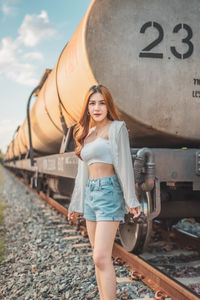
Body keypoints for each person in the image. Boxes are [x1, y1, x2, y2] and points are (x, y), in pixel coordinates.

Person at [68, 84, 141, 300]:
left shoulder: (117, 128)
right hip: (91, 193)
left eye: (101, 102)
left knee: (101, 257)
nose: (97, 107)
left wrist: (131, 199)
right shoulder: (88, 134)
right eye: (92, 103)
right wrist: (75, 204)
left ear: (108, 105)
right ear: (87, 107)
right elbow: (82, 174)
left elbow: (125, 166)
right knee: (96, 255)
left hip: (109, 193)